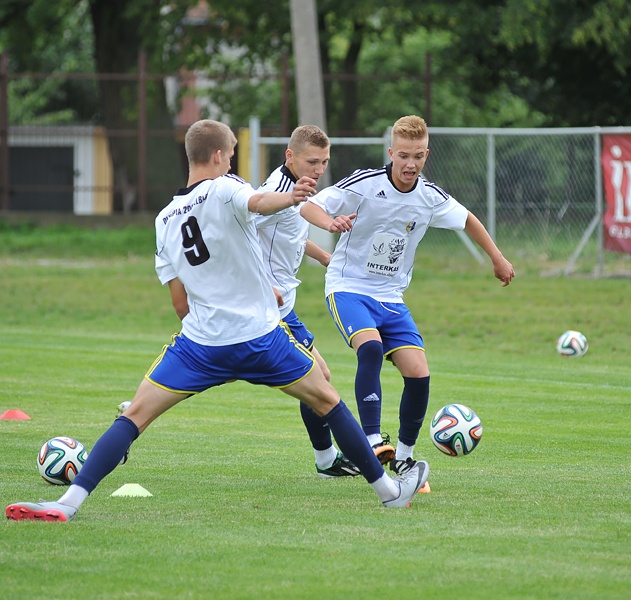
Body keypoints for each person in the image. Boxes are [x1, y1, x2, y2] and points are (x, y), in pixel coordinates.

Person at [6, 119, 428, 522]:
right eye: (231, 157)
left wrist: (214, 345)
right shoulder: (226, 188)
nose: (231, 164)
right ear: (220, 155)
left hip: (200, 345)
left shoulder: (163, 220)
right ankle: (390, 494)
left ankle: (67, 503)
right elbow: (261, 201)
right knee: (328, 400)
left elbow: (179, 304)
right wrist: (296, 196)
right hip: (260, 339)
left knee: (134, 415)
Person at [300, 115, 515, 487]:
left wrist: (497, 258)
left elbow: (468, 221)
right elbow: (309, 206)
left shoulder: (429, 197)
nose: (410, 164)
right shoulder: (366, 184)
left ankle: (403, 456)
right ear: (391, 153)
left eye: (417, 156)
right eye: (403, 156)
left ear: (426, 154)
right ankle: (369, 439)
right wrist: (330, 222)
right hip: (348, 286)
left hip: (391, 296)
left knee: (419, 372)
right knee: (370, 347)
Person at [254, 124, 360, 478]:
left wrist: (322, 257)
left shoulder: (298, 190)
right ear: (290, 156)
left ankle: (326, 460)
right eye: (312, 161)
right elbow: (240, 235)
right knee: (319, 380)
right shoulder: (275, 192)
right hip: (268, 309)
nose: (318, 169)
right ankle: (331, 459)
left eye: (324, 162)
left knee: (319, 380)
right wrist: (259, 285)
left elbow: (290, 236)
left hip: (282, 307)